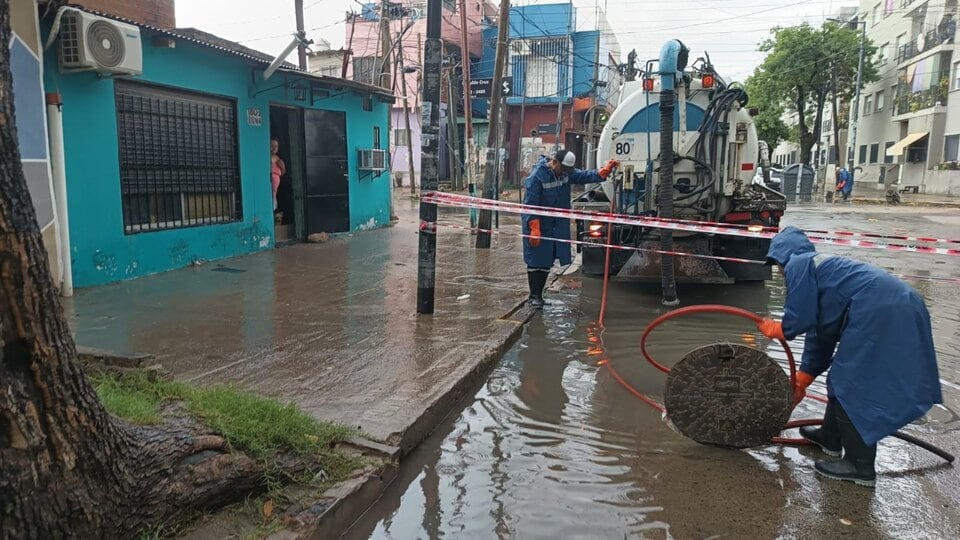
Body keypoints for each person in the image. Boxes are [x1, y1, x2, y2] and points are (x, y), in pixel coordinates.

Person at [756, 227, 942, 487]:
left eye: (777, 264)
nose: (778, 270)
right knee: (841, 377)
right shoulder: (821, 268)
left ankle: (860, 465)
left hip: (881, 311)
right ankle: (830, 438)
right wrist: (804, 378)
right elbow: (821, 332)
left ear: (782, 256)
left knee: (854, 382)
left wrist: (780, 329)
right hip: (896, 304)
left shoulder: (798, 264)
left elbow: (800, 320)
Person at [522, 150, 618, 308]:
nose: (565, 173)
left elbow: (583, 175)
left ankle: (539, 296)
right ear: (555, 162)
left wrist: (601, 172)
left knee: (547, 260)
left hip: (556, 225)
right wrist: (534, 226)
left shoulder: (565, 173)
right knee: (536, 259)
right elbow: (530, 204)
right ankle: (534, 296)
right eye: (563, 169)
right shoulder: (537, 177)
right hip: (539, 225)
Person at [270, 138, 286, 216]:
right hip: (270, 181)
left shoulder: (277, 159)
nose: (274, 148)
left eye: (276, 146)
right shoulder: (267, 157)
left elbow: (283, 171)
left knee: (273, 195)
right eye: (272, 145)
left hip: (274, 181)